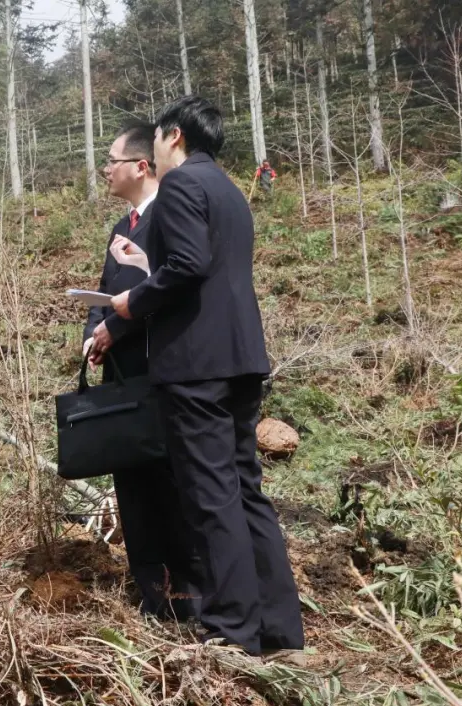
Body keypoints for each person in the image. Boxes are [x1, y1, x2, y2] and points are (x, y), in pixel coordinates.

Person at [108, 96, 304, 655]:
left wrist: (132, 301)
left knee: (211, 496)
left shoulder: (180, 186)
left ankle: (231, 629)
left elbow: (188, 266)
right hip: (241, 357)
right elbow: (206, 268)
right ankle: (279, 627)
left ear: (172, 137)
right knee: (246, 491)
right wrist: (155, 276)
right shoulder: (232, 190)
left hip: (197, 364)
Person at [83, 121, 198, 620]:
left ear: (140, 165)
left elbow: (167, 293)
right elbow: (107, 291)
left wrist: (117, 330)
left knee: (170, 482)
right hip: (121, 377)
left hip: (162, 372)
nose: (104, 170)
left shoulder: (168, 218)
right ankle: (150, 591)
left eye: (111, 161)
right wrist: (94, 332)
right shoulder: (120, 227)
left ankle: (188, 592)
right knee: (132, 484)